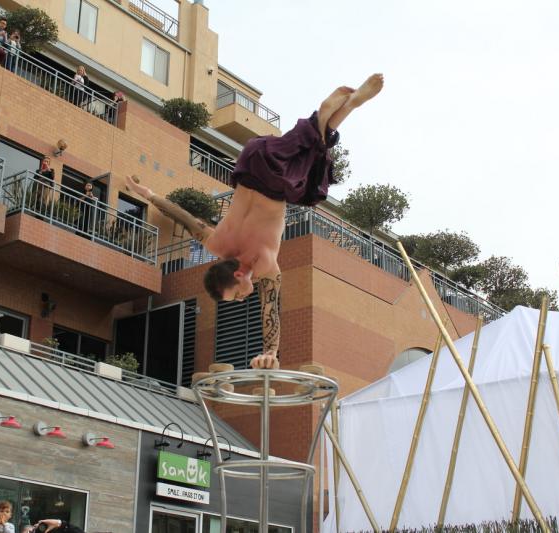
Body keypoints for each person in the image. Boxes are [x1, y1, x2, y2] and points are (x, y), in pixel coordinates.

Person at [125, 73, 384, 370]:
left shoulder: (263, 264)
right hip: (251, 161)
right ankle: (343, 107)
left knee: (313, 178)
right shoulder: (216, 243)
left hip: (276, 183)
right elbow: (185, 218)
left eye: (235, 296)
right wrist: (150, 195)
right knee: (313, 144)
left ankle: (337, 111)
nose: (239, 300)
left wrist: (270, 351)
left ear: (238, 276)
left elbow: (270, 309)